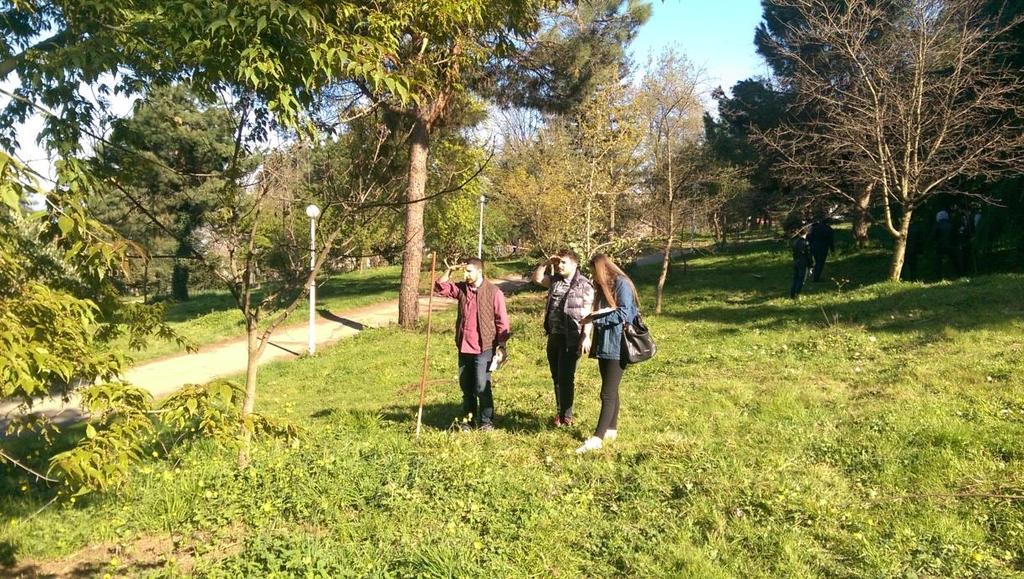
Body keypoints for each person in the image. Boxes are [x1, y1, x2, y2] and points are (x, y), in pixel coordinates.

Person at [433, 258, 510, 431]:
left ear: (479, 271)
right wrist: (450, 271)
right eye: (464, 271)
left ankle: (486, 422)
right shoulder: (462, 289)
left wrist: (502, 346)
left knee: (482, 386)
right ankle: (468, 420)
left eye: (469, 271)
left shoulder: (493, 292)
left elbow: (502, 322)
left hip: (485, 347)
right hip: (463, 347)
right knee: (466, 387)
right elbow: (440, 287)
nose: (465, 274)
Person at [575, 254, 639, 454]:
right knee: (612, 390)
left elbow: (625, 313)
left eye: (594, 271)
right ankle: (611, 429)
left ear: (602, 268)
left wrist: (596, 320)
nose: (592, 275)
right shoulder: (603, 287)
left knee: (607, 393)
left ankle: (597, 438)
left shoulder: (622, 283)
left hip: (617, 345)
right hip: (604, 345)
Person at [531, 250, 595, 427]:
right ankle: (560, 412)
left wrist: (586, 336)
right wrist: (546, 263)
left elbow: (589, 313)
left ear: (574, 265)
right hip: (554, 335)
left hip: (572, 337)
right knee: (556, 376)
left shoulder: (584, 285)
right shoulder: (555, 281)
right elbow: (537, 279)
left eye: (564, 263)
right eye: (559, 263)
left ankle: (566, 415)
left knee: (566, 377)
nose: (560, 266)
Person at [806, 217, 835, 282]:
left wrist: (810, 244)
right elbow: (831, 241)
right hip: (823, 248)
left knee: (816, 261)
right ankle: (816, 277)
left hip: (814, 246)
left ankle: (813, 273)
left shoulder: (814, 227)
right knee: (820, 263)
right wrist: (832, 249)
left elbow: (808, 236)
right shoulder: (829, 229)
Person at [789, 224, 812, 299]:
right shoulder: (805, 242)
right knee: (801, 280)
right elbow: (808, 254)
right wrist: (811, 264)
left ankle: (792, 294)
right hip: (803, 263)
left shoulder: (796, 242)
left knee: (795, 279)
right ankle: (796, 294)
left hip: (796, 261)